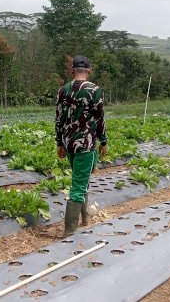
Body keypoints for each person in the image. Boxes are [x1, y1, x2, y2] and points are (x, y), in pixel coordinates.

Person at [55, 55, 108, 238]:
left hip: (69, 143)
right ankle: (69, 231)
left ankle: (85, 220)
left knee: (81, 179)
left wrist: (59, 143)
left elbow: (59, 118)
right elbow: (100, 118)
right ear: (89, 70)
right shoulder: (94, 90)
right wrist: (104, 141)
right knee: (78, 186)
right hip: (86, 144)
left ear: (72, 70)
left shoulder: (63, 90)